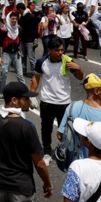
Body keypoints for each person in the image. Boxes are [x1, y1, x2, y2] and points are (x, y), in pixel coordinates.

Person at [32, 36, 84, 165]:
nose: (60, 53)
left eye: (62, 50)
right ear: (49, 50)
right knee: (46, 129)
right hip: (47, 102)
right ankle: (47, 152)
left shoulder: (67, 61)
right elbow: (36, 78)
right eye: (57, 50)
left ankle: (64, 151)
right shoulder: (41, 62)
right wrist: (31, 95)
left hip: (64, 103)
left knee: (66, 131)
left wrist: (78, 68)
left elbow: (80, 77)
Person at [57, 73, 101, 159]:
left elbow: (59, 135)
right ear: (97, 91)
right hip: (100, 166)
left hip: (76, 161)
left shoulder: (72, 107)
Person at [0, 12, 25, 99]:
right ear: (9, 19)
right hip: (6, 54)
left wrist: (20, 50)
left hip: (16, 53)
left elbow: (20, 40)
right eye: (12, 19)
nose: (14, 21)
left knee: (20, 74)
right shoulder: (3, 30)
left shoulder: (19, 29)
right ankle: (1, 93)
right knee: (4, 73)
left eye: (16, 19)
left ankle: (24, 93)